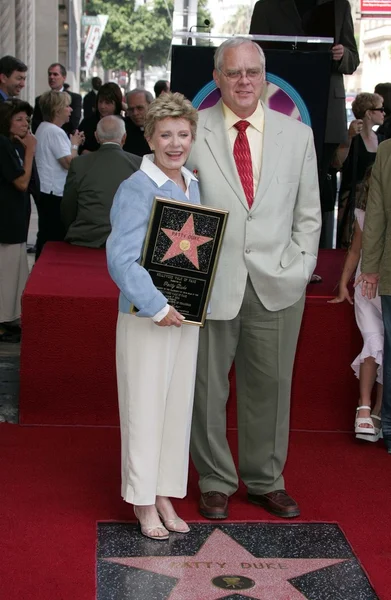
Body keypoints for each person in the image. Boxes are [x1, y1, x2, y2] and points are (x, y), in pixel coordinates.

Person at [187, 38, 321, 520]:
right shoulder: (191, 131)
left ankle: (265, 479)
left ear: (265, 77)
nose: (244, 81)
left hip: (278, 282)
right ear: (217, 78)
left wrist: (303, 267)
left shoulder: (297, 136)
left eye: (252, 72)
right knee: (207, 388)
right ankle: (215, 479)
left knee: (271, 385)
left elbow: (309, 214)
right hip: (210, 283)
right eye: (233, 72)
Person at [106, 92, 200, 540]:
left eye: (183, 134)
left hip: (185, 316)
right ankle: (143, 501)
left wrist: (185, 302)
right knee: (145, 409)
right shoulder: (136, 187)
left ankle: (164, 492)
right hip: (148, 317)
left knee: (175, 409)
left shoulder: (191, 182)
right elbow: (121, 259)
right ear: (150, 137)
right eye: (166, 135)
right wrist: (158, 305)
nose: (175, 143)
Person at [249, 0, 359, 248]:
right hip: (278, 103)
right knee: (273, 182)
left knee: (316, 189)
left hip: (326, 111)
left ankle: (311, 256)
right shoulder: (266, 6)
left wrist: (344, 55)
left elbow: (353, 59)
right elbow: (252, 53)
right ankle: (272, 248)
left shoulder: (339, 5)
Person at [328, 167, 383, 442]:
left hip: (389, 286)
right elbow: (354, 250)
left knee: (389, 346)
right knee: (375, 342)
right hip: (367, 288)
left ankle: (377, 411)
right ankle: (365, 408)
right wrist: (342, 284)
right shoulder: (364, 214)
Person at [355, 137, 391, 456]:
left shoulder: (389, 150)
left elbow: (376, 216)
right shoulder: (388, 150)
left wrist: (370, 267)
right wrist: (369, 267)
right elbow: (375, 216)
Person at [61, 116, 141, 248]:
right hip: (127, 241)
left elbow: (68, 206)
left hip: (86, 238)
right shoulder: (139, 164)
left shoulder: (79, 164)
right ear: (124, 137)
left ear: (96, 137)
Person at [0, 99, 37, 343]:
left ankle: (7, 318)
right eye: (19, 119)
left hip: (13, 218)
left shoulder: (11, 144)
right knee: (6, 271)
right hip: (6, 219)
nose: (25, 124)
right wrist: (31, 151)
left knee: (12, 270)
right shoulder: (3, 144)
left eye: (27, 119)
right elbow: (21, 182)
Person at [34, 91, 85, 259]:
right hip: (54, 192)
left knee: (45, 233)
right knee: (53, 235)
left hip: (46, 189)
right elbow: (70, 163)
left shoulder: (42, 128)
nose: (70, 110)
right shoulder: (55, 132)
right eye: (67, 106)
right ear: (57, 110)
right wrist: (75, 145)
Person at [333, 92, 384, 249]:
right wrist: (348, 137)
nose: (384, 112)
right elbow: (338, 163)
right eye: (380, 109)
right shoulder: (353, 139)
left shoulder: (381, 139)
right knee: (350, 245)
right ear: (369, 113)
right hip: (353, 203)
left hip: (375, 203)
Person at [32, 63, 82, 135]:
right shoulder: (40, 99)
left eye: (55, 74)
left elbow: (73, 124)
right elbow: (35, 126)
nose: (51, 77)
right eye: (50, 74)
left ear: (64, 77)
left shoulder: (74, 98)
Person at [78, 82, 123, 154]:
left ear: (116, 104)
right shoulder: (88, 122)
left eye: (107, 103)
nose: (102, 106)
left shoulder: (123, 123)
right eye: (100, 102)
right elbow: (78, 145)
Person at [123, 88, 152, 156]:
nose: (135, 113)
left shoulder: (162, 128)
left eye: (140, 108)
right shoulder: (122, 128)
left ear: (151, 106)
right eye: (131, 109)